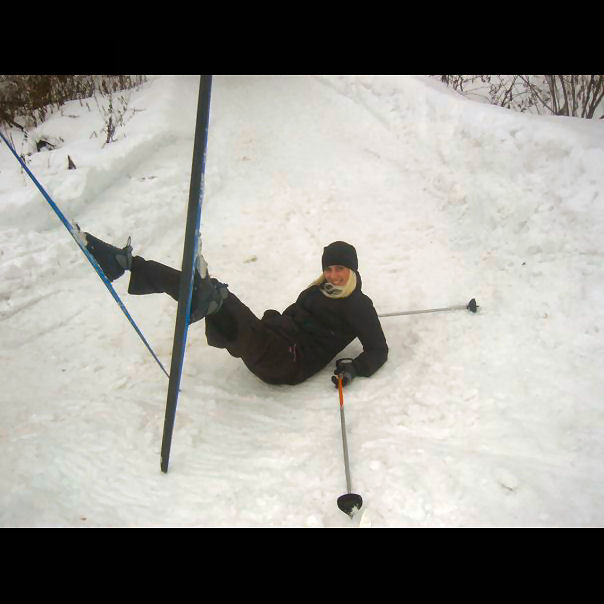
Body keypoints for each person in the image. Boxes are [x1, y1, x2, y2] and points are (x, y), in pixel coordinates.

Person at [82, 232, 388, 387]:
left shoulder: (358, 305)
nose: (333, 275)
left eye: (340, 269)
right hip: (275, 341)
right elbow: (294, 314)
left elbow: (379, 349)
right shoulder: (317, 289)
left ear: (352, 270)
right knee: (214, 294)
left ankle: (208, 300)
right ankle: (130, 264)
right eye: (329, 269)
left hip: (289, 362)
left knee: (219, 299)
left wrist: (354, 369)